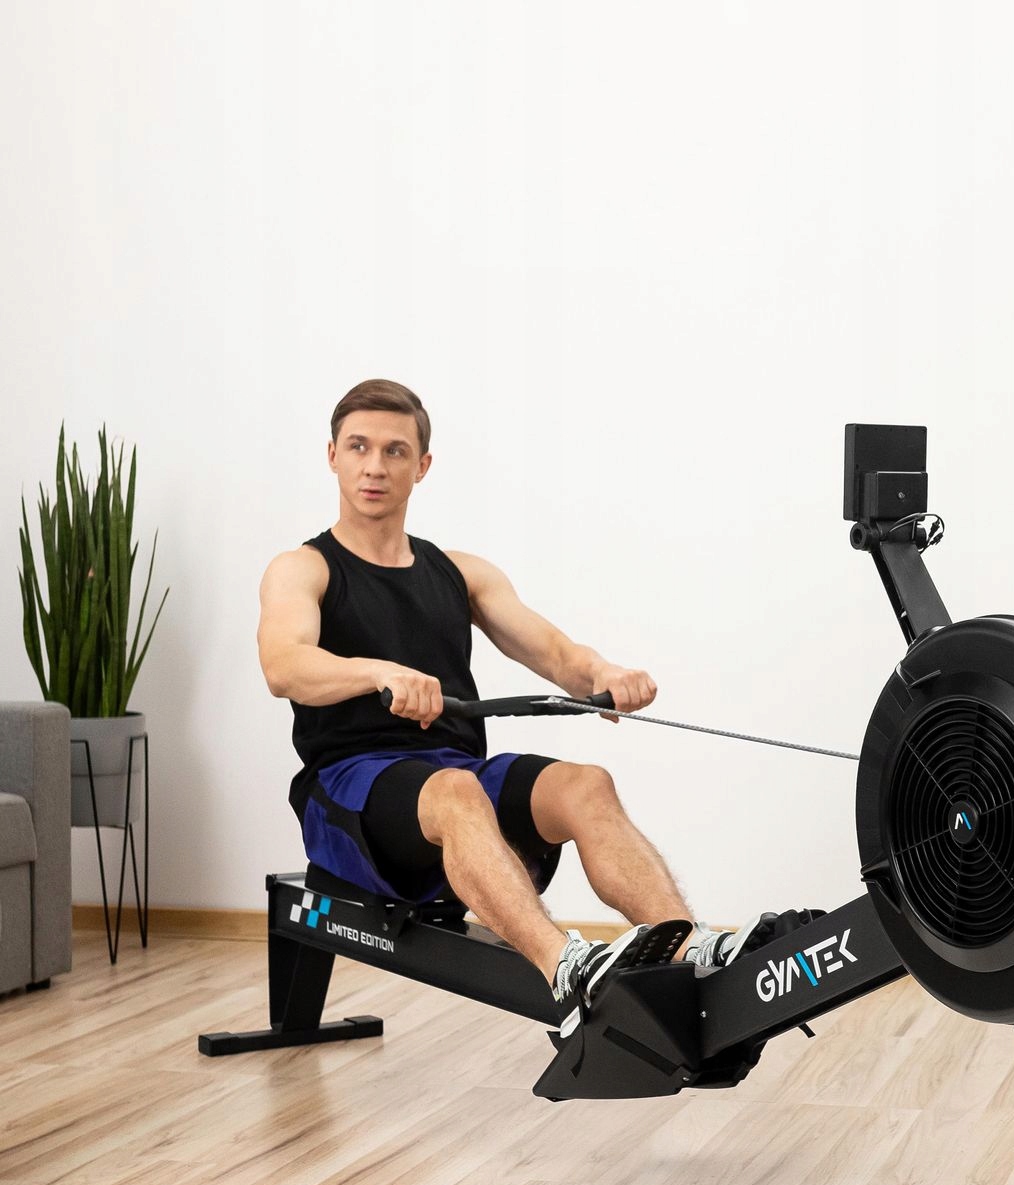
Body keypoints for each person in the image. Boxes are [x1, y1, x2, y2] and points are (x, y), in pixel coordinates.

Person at [257, 378, 756, 1009]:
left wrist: (603, 674)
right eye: (358, 447)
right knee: (456, 791)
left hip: (454, 779)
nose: (374, 466)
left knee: (586, 784)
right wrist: (377, 672)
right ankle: (563, 967)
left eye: (394, 450)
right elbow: (284, 665)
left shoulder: (461, 573)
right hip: (350, 791)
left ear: (422, 465)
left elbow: (556, 654)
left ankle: (689, 947)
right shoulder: (304, 568)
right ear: (333, 455)